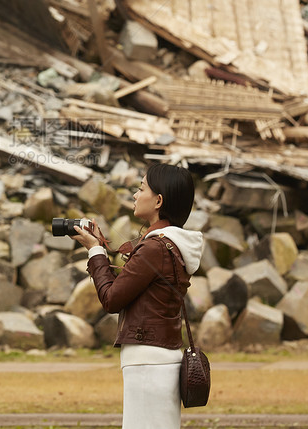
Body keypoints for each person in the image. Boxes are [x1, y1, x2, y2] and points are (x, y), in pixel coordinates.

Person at [70, 163, 205, 429]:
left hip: (147, 362)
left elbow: (111, 299)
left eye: (141, 188)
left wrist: (95, 252)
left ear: (158, 200)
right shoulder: (171, 245)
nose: (134, 194)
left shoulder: (154, 248)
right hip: (160, 358)